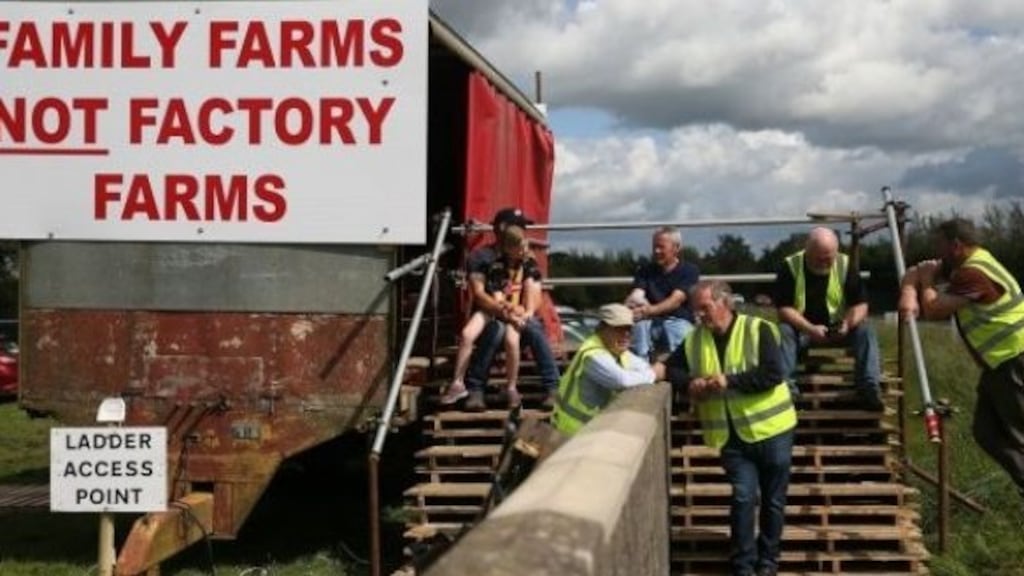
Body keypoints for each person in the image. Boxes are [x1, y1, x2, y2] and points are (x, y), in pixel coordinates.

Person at [655, 280, 796, 576]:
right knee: (743, 496)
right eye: (696, 311)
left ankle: (768, 561)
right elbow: (672, 368)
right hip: (731, 437)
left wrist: (730, 382)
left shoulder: (759, 329)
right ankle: (743, 565)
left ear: (725, 304)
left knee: (773, 500)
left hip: (772, 431)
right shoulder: (695, 338)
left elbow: (772, 374)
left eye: (705, 308)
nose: (700, 316)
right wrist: (688, 384)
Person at [899, 218, 1024, 500]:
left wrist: (926, 282)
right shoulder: (970, 262)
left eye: (939, 244)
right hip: (997, 364)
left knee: (1018, 433)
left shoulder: (972, 274)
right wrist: (910, 288)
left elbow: (933, 310)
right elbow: (917, 272)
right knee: (986, 432)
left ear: (955, 245)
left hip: (1012, 360)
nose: (935, 250)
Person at [444, 207, 560, 412]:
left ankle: (552, 388)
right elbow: (479, 295)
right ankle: (475, 390)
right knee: (495, 330)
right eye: (521, 227)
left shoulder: (526, 257)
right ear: (504, 230)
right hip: (493, 317)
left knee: (533, 325)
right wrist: (506, 313)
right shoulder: (481, 257)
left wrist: (526, 313)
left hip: (516, 315)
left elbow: (534, 291)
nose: (524, 232)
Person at [774, 227, 884, 410]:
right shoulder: (790, 266)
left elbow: (861, 304)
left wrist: (847, 324)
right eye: (819, 257)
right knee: (783, 332)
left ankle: (869, 387)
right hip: (802, 331)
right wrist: (809, 328)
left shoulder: (845, 264)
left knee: (866, 330)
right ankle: (787, 391)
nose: (825, 262)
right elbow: (783, 309)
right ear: (807, 250)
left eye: (829, 257)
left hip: (839, 328)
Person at [443, 226, 534, 408]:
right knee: (467, 334)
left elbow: (524, 293)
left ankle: (511, 388)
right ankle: (457, 383)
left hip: (510, 310)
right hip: (494, 308)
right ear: (508, 247)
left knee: (512, 340)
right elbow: (495, 296)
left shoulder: (526, 263)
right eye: (519, 248)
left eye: (524, 247)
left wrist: (517, 313)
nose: (523, 251)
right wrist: (508, 312)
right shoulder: (492, 263)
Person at [551, 303, 656, 436]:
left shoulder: (616, 349)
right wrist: (653, 374)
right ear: (603, 328)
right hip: (569, 433)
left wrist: (648, 373)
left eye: (628, 329)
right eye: (618, 329)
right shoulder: (593, 355)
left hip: (588, 432)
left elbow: (643, 367)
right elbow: (622, 380)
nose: (625, 334)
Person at [626, 226, 700, 360]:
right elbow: (637, 294)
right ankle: (641, 371)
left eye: (661, 247)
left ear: (676, 248)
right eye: (654, 246)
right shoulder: (644, 270)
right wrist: (634, 306)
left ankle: (677, 369)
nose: (656, 251)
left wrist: (648, 310)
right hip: (649, 322)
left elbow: (676, 300)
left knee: (678, 330)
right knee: (640, 328)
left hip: (678, 321)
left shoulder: (689, 270)